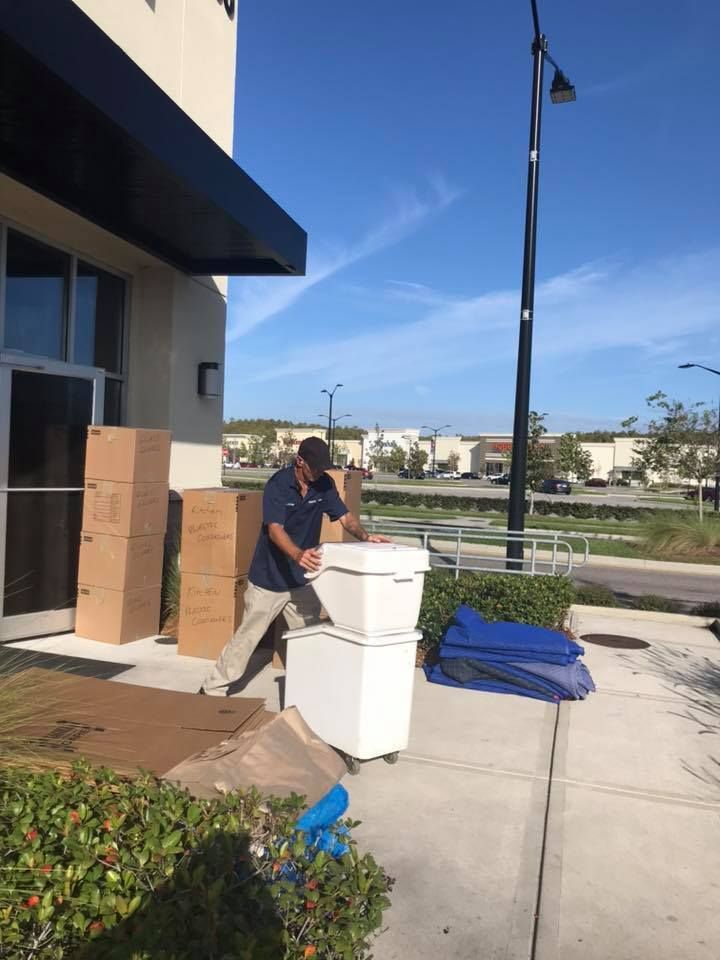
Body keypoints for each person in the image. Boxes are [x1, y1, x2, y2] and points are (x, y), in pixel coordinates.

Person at [200, 437, 389, 696]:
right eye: (315, 467)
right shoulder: (278, 485)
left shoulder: (324, 484)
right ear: (300, 461)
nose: (320, 472)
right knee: (247, 637)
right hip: (268, 579)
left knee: (309, 638)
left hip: (301, 581)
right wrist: (298, 554)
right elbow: (275, 530)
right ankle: (212, 689)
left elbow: (345, 517)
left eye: (323, 467)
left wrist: (366, 537)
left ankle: (310, 693)